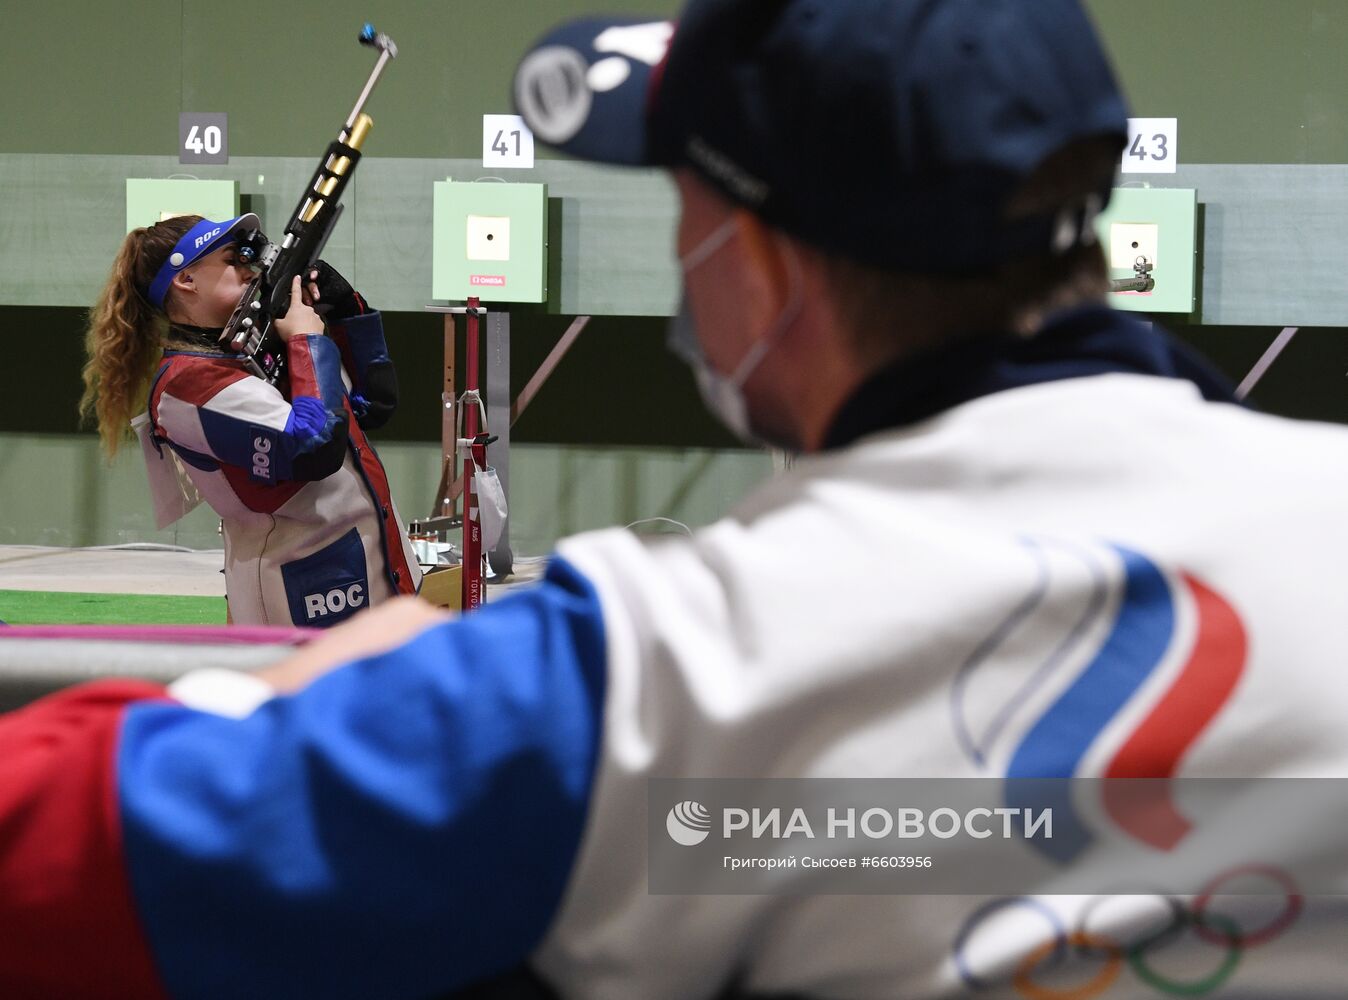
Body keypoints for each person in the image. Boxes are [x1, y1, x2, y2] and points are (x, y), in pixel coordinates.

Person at [2, 0, 1348, 997]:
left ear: (760, 264)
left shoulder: (655, 670)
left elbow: (64, 852)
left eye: (689, 210)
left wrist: (323, 693)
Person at [79, 213, 421, 627]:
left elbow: (374, 405)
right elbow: (315, 448)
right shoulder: (190, 386)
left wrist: (348, 310)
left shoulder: (254, 348)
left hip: (377, 573)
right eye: (232, 258)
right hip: (303, 598)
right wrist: (306, 341)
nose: (250, 266)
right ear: (186, 279)